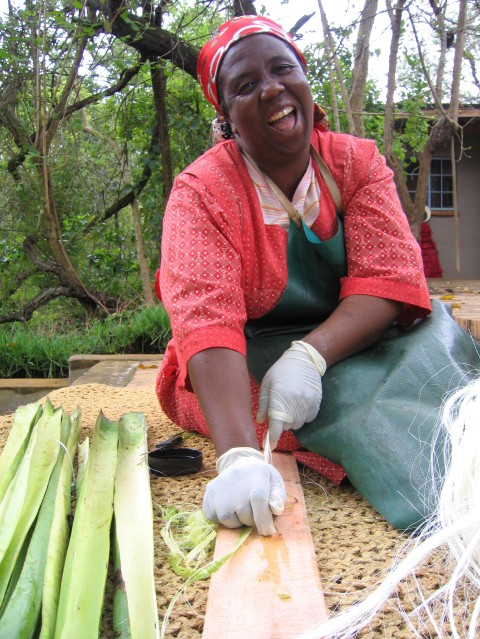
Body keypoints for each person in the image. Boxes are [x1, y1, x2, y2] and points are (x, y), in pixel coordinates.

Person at [155, 16, 478, 536]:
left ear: (305, 80)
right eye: (246, 85)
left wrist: (310, 355)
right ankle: (445, 511)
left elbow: (388, 279)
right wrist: (238, 455)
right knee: (360, 407)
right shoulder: (201, 193)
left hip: (359, 335)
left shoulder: (356, 163)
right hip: (251, 353)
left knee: (447, 380)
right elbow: (206, 324)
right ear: (228, 118)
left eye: (284, 69)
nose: (272, 89)